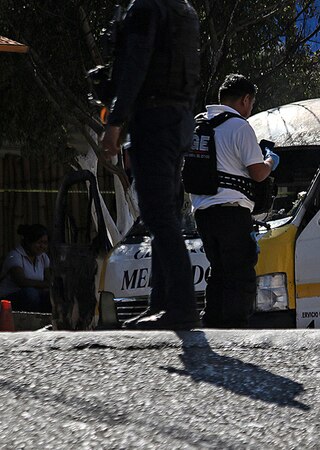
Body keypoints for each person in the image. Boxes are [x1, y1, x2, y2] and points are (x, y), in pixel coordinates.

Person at [99, 0, 201, 330]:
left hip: (154, 120)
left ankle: (181, 307)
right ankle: (162, 303)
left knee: (158, 215)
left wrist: (115, 122)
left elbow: (135, 65)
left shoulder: (146, 8)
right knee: (164, 214)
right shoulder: (182, 9)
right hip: (177, 117)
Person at [188, 74, 279, 328]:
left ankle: (213, 326)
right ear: (245, 99)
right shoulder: (239, 126)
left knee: (218, 272)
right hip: (232, 212)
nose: (251, 110)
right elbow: (258, 173)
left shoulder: (200, 124)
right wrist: (271, 159)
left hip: (203, 213)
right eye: (251, 103)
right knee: (240, 275)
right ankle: (236, 333)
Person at [0, 224, 52, 313]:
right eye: (39, 242)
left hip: (34, 297)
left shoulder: (43, 257)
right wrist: (45, 284)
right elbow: (21, 281)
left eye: (45, 243)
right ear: (28, 242)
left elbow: (49, 280)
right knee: (31, 293)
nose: (42, 246)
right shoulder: (14, 256)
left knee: (51, 296)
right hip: (8, 299)